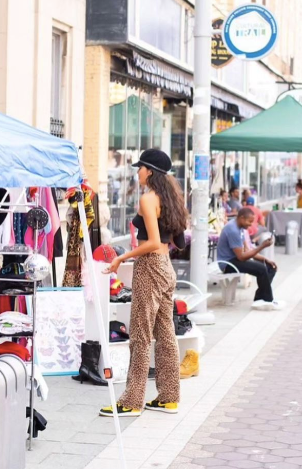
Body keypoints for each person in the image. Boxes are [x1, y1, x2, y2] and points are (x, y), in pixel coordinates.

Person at [100, 149, 188, 418]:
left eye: (140, 168)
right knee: (165, 335)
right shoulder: (170, 196)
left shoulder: (148, 199)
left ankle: (132, 401)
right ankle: (169, 397)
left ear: (149, 171)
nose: (137, 172)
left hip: (150, 267)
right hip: (166, 268)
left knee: (139, 335)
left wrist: (121, 258)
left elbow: (150, 242)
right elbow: (173, 240)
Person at [217, 207, 284, 310]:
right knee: (261, 269)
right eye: (249, 221)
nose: (250, 225)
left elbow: (248, 251)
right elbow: (242, 257)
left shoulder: (240, 229)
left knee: (270, 267)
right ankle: (267, 300)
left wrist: (266, 260)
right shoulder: (233, 230)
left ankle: (259, 299)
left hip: (235, 260)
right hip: (227, 264)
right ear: (242, 218)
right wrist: (262, 246)